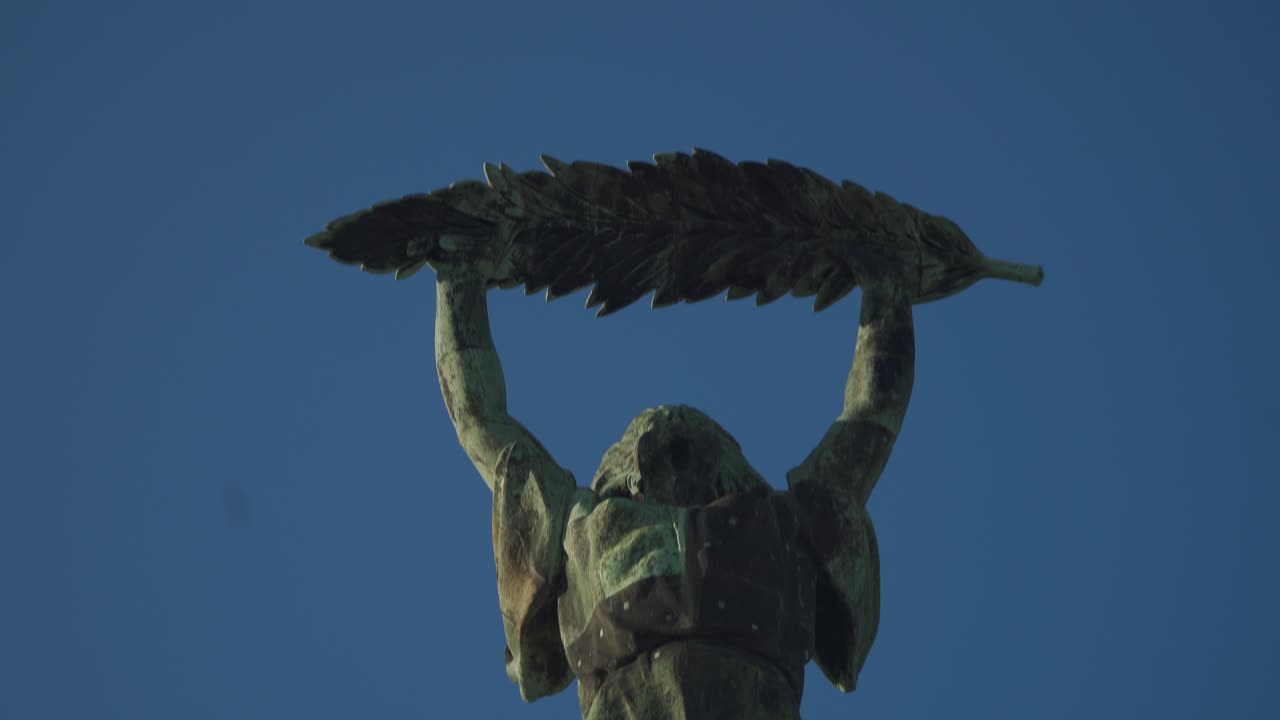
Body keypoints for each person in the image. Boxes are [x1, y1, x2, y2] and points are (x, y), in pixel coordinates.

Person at [433, 250, 914, 720]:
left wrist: (886, 290)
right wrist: (458, 276)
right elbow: (481, 421)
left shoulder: (785, 520)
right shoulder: (578, 523)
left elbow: (869, 418)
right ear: (627, 471)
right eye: (659, 446)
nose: (676, 456)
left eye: (687, 444)